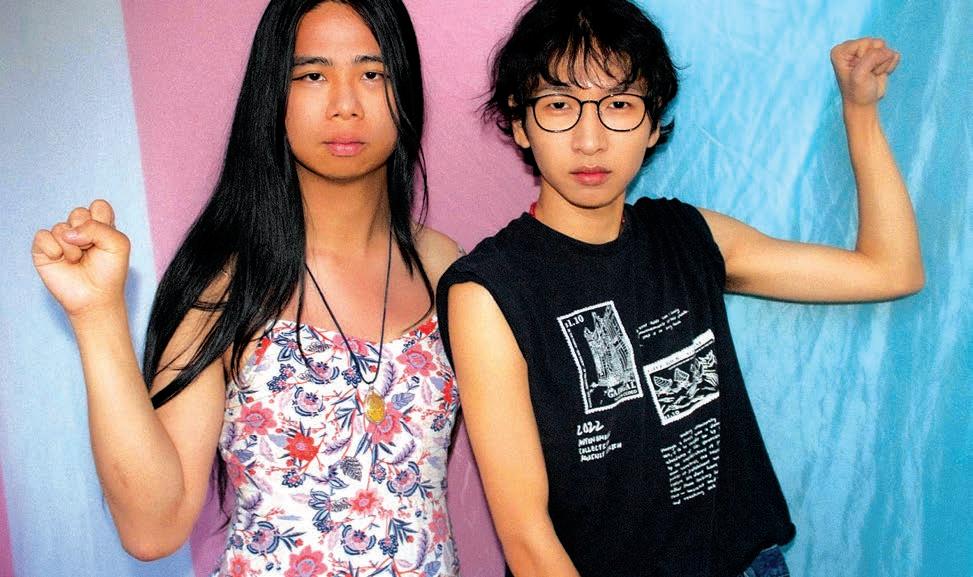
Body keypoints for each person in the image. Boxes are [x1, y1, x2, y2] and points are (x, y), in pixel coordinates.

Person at [437, 1, 923, 576]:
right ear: (520, 122)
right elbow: (526, 538)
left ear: (652, 123)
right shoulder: (489, 290)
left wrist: (860, 112)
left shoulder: (688, 237)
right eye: (559, 105)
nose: (590, 140)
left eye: (619, 104)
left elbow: (891, 269)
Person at [31, 1, 463, 575]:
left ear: (404, 89)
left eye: (372, 72)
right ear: (272, 95)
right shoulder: (226, 283)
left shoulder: (445, 266)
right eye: (312, 75)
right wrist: (97, 314)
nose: (345, 104)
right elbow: (152, 528)